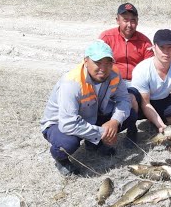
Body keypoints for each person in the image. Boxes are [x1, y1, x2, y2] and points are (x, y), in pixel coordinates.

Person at [40, 40, 137, 176]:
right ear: (86, 61)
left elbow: (124, 100)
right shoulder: (71, 82)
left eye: (108, 62)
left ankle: (94, 144)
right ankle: (61, 159)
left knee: (130, 115)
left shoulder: (114, 73)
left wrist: (114, 121)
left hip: (91, 115)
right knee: (67, 143)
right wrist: (102, 133)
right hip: (60, 123)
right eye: (98, 62)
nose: (103, 68)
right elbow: (68, 124)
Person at [99, 3, 153, 144]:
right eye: (125, 19)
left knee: (129, 97)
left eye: (133, 20)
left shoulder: (145, 41)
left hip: (135, 82)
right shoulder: (106, 37)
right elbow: (96, 61)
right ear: (117, 20)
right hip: (111, 80)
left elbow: (149, 67)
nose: (129, 24)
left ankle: (132, 128)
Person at [128, 29, 171, 133]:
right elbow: (145, 103)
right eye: (162, 47)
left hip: (163, 101)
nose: (166, 52)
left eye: (170, 47)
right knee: (131, 100)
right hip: (143, 103)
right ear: (154, 48)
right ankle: (137, 127)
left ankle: (159, 118)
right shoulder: (142, 69)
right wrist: (160, 125)